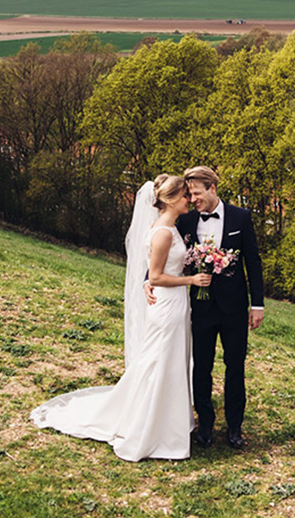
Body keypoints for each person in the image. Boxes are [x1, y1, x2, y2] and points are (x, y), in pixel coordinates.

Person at [30, 175, 211, 462]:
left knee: (169, 361)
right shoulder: (164, 232)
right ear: (172, 199)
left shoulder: (167, 227)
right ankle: (150, 427)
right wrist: (192, 279)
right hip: (167, 306)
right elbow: (156, 276)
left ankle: (168, 422)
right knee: (160, 362)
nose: (189, 199)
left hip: (174, 306)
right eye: (186, 196)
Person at [148, 166, 264, 449]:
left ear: (212, 188)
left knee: (235, 367)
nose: (193, 199)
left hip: (235, 308)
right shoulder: (186, 221)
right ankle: (205, 426)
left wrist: (257, 304)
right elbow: (160, 250)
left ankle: (235, 428)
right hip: (200, 308)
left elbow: (253, 262)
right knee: (201, 367)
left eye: (196, 193)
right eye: (189, 194)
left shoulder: (241, 217)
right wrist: (146, 280)